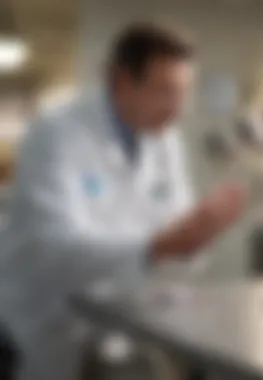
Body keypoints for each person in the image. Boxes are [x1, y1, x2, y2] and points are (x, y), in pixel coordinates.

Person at [0, 22, 246, 380]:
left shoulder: (166, 141)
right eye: (163, 91)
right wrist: (155, 248)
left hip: (119, 323)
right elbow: (56, 249)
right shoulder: (56, 132)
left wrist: (196, 238)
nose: (176, 109)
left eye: (183, 93)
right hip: (43, 324)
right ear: (120, 80)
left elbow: (175, 240)